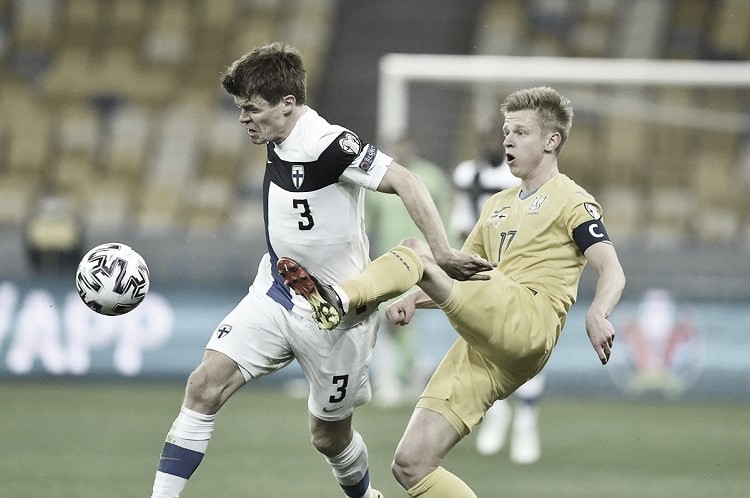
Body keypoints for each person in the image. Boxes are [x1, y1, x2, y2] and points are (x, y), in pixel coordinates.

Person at [149, 42, 491, 498]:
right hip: (276, 291)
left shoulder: (328, 144)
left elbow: (406, 180)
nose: (243, 119)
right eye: (240, 109)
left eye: (252, 109)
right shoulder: (277, 136)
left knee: (328, 438)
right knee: (203, 385)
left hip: (338, 314)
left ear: (288, 105)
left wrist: (442, 251)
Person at [281, 86, 626, 497]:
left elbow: (612, 269)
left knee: (414, 248)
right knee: (411, 465)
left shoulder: (572, 199)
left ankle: (341, 298)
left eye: (520, 132)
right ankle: (350, 298)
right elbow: (460, 274)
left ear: (552, 141)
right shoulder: (497, 204)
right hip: (487, 345)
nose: (507, 140)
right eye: (505, 132)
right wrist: (412, 298)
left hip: (528, 318)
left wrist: (597, 313)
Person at [451, 124, 545, 463]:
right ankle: (498, 413)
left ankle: (526, 422)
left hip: (522, 275)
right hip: (483, 273)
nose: (498, 146)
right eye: (492, 139)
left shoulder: (520, 179)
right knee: (490, 346)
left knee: (530, 346)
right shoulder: (467, 174)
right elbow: (461, 220)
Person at [366, 136, 454, 407]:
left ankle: (407, 375)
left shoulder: (431, 177)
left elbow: (446, 214)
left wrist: (448, 250)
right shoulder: (378, 181)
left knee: (407, 317)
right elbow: (369, 220)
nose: (402, 150)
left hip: (424, 258)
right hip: (391, 258)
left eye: (406, 145)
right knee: (393, 319)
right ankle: (407, 374)